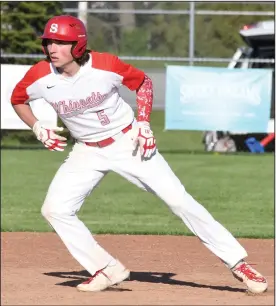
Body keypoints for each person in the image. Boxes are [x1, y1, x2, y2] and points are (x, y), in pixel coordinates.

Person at [11, 15, 268, 294]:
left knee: (179, 200)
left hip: (127, 142)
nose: (52, 48)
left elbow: (142, 82)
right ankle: (106, 268)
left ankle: (238, 263)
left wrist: (144, 123)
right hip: (86, 149)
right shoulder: (40, 74)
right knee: (54, 209)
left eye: (60, 43)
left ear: (78, 45)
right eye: (49, 42)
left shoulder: (105, 65)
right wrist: (37, 126)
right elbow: (18, 98)